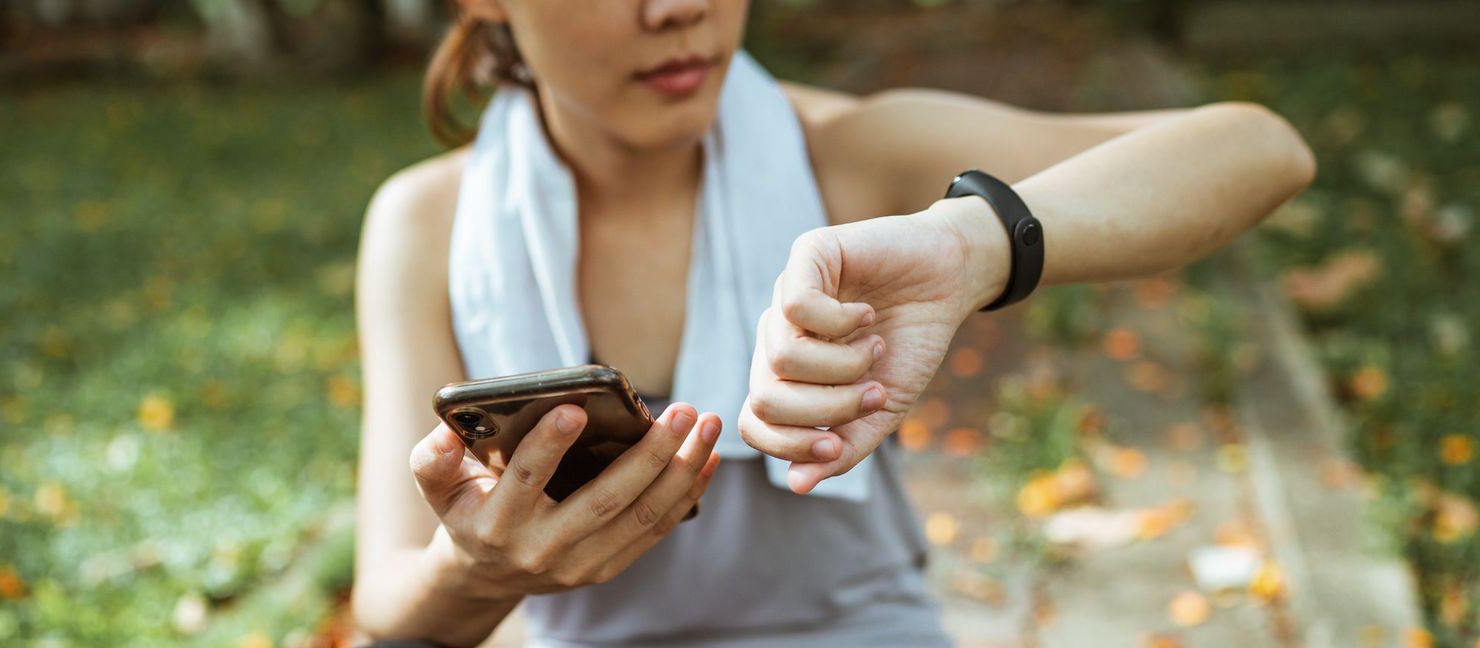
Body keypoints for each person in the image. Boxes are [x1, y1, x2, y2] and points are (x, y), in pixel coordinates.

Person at [351, 0, 1316, 646]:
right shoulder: (430, 226)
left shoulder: (846, 156)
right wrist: (476, 572)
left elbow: (1258, 148)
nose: (675, 8)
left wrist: (977, 242)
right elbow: (392, 599)